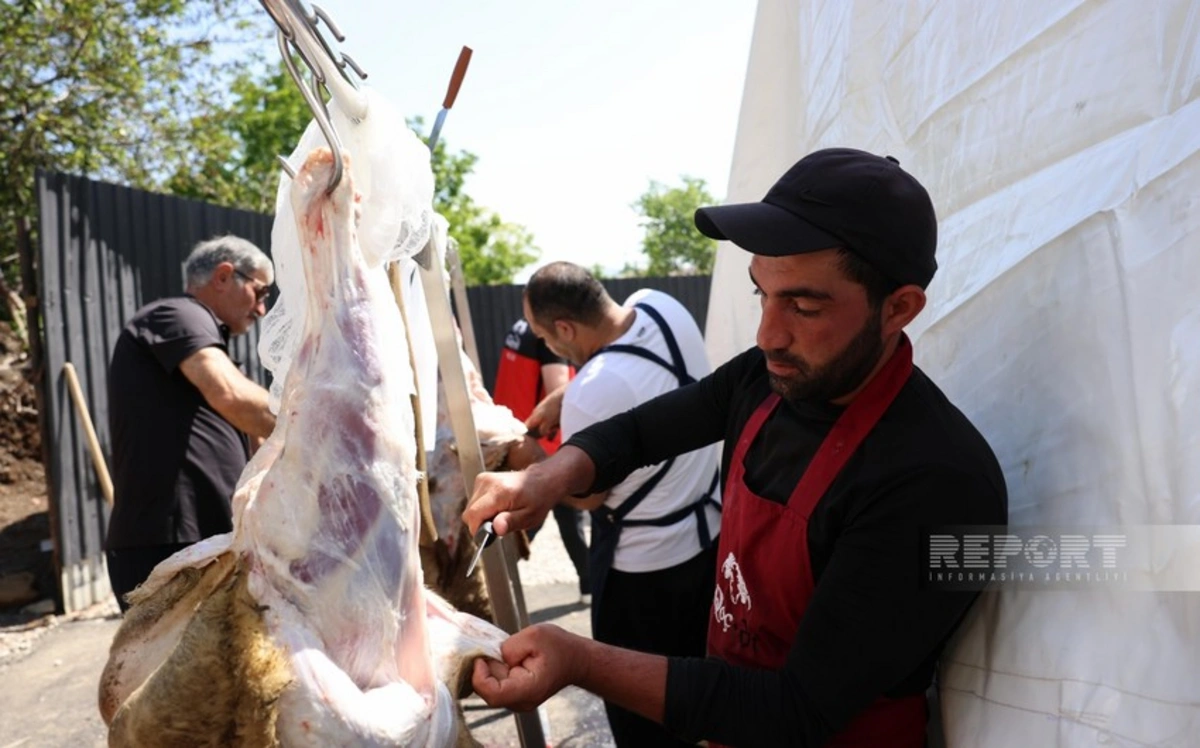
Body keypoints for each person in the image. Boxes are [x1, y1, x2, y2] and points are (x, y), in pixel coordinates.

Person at [463, 149, 1008, 747]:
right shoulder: (767, 378)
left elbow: (797, 711)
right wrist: (546, 478)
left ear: (898, 308)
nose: (768, 335)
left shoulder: (935, 482)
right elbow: (640, 432)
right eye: (761, 297)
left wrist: (581, 662)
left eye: (803, 306)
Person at [519, 262, 722, 748]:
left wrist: (533, 463)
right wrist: (569, 392)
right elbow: (635, 376)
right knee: (705, 698)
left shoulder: (593, 393)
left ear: (565, 328)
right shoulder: (662, 306)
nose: (551, 348)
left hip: (644, 578)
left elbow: (587, 496)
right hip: (711, 541)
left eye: (548, 339)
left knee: (643, 716)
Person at [104, 235, 277, 612]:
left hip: (199, 540)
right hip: (171, 544)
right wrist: (315, 422)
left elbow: (252, 432)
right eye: (259, 292)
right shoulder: (177, 314)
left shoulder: (203, 340)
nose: (262, 309)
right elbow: (231, 395)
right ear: (224, 275)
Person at [492, 316, 591, 600]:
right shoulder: (547, 338)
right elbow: (557, 385)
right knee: (560, 514)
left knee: (546, 515)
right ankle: (495, 578)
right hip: (544, 443)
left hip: (515, 437)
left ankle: (588, 582)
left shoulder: (519, 329)